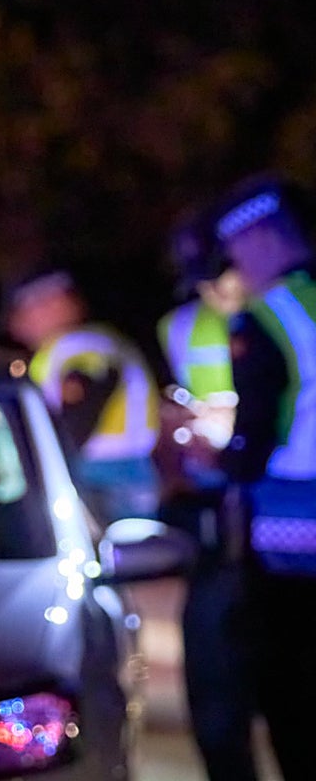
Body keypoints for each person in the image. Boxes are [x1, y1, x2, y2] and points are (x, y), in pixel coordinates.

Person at [214, 172, 316, 781]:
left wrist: (219, 463)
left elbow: (256, 431)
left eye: (242, 251)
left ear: (266, 240)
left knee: (290, 685)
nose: (238, 267)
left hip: (291, 534)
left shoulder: (265, 317)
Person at [154, 209, 258, 781]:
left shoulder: (273, 321)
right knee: (217, 670)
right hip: (215, 508)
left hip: (264, 511)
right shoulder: (183, 326)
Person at [2, 267, 161, 525]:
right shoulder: (89, 341)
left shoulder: (79, 346)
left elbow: (80, 412)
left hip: (103, 476)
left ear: (53, 303)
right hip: (121, 471)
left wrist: (51, 465)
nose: (15, 325)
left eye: (22, 311)